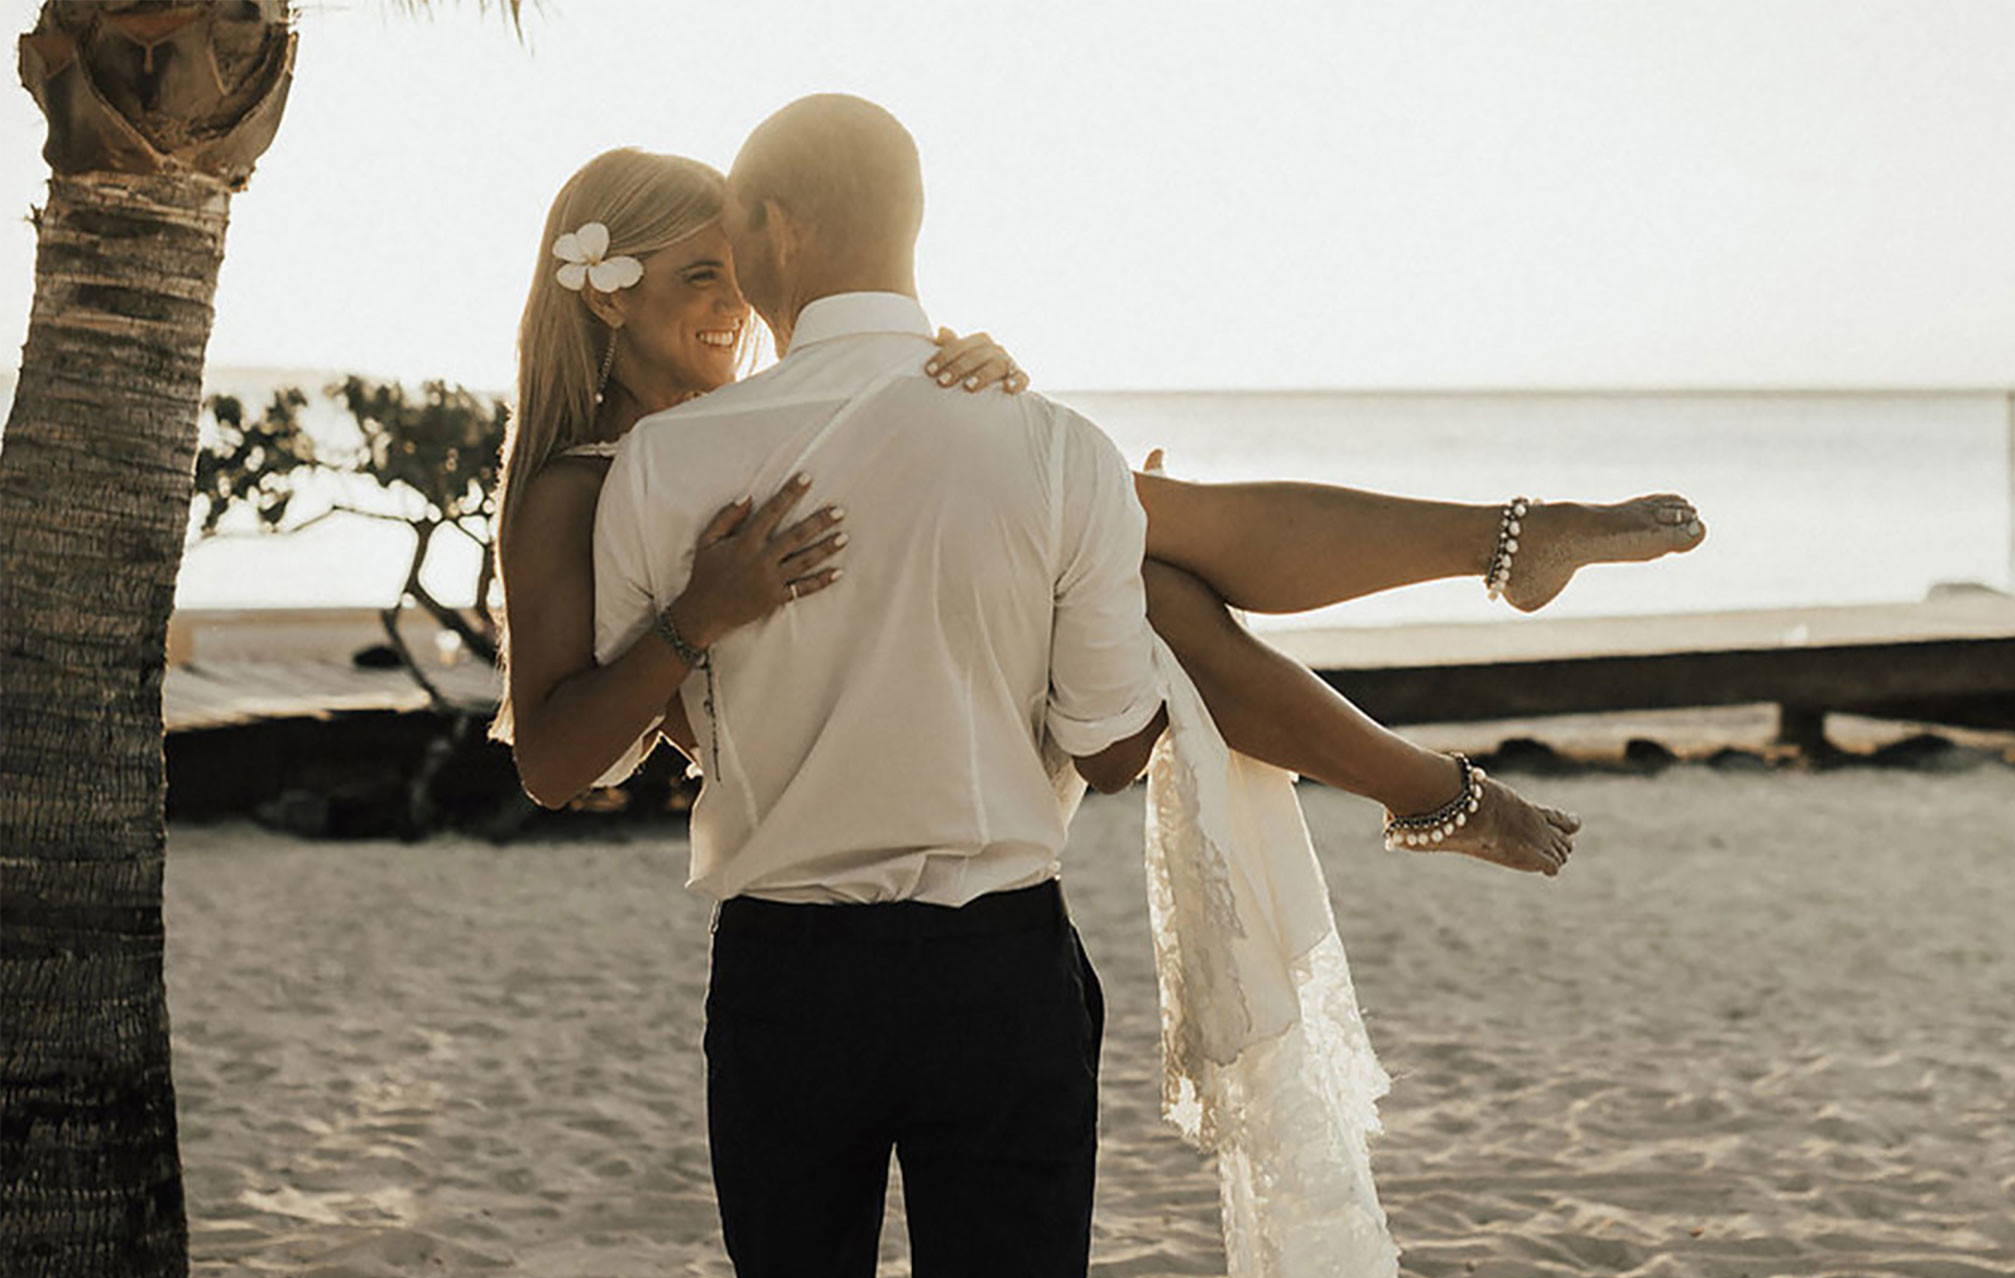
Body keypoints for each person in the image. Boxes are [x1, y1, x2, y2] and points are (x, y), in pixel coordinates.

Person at [496, 151, 1702, 877]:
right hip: (839, 793)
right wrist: (700, 614)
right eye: (698, 278)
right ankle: (1475, 638)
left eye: (738, 272)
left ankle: (1475, 647)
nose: (736, 305)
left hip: (927, 726)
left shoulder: (754, 423)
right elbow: (556, 766)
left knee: (1133, 527)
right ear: (603, 297)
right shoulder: (581, 486)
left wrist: (969, 380)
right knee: (1147, 542)